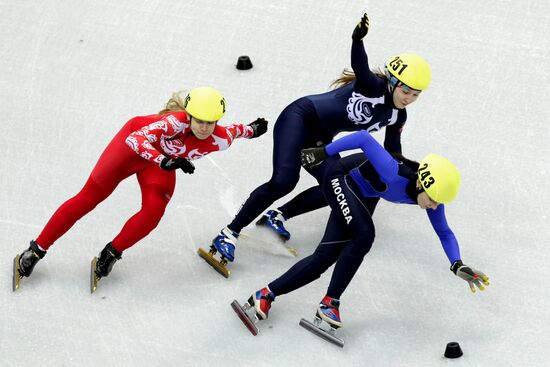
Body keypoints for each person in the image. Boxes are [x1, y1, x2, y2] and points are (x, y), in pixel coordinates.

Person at [211, 12, 432, 264]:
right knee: (284, 180)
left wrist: (418, 179)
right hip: (299, 117)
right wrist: (357, 40)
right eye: (406, 91)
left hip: (322, 136)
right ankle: (228, 233)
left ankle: (277, 216)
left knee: (338, 185)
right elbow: (360, 65)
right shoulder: (373, 87)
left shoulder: (397, 117)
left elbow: (393, 154)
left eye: (416, 95)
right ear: (392, 82)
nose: (409, 99)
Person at [241, 129, 489, 332]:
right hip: (341, 178)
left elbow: (444, 233)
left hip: (362, 194)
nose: (434, 206)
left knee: (324, 257)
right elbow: (363, 138)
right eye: (433, 199)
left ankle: (265, 294)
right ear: (420, 182)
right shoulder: (393, 170)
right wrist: (322, 152)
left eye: (438, 202)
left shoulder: (432, 198)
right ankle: (331, 302)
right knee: (365, 234)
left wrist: (457, 264)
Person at [15, 86, 268, 284]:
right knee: (89, 198)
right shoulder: (174, 123)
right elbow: (135, 140)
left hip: (160, 164)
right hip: (131, 150)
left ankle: (111, 253)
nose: (204, 127)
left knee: (154, 211)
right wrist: (165, 160)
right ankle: (36, 249)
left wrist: (253, 129)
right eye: (199, 120)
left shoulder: (220, 138)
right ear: (188, 115)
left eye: (210, 122)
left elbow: (236, 131)